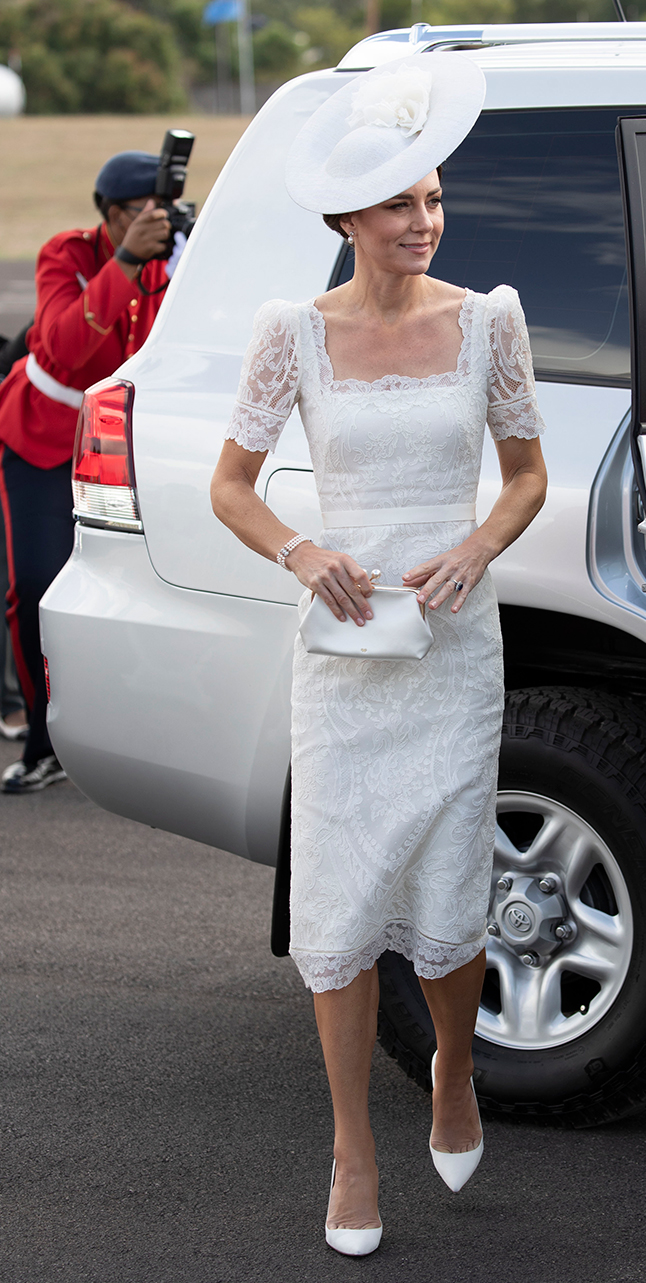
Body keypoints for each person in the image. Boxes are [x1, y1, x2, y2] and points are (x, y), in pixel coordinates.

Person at [210, 54, 547, 1257]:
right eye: (402, 201)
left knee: (451, 894)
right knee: (342, 902)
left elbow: (525, 477)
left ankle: (455, 1064)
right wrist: (305, 553)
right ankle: (354, 1149)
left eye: (435, 198)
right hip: (344, 655)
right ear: (348, 215)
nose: (424, 220)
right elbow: (231, 488)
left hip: (454, 649)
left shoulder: (487, 321)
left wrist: (474, 546)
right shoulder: (290, 334)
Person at [0, 150, 181, 794]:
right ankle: (42, 742)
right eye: (141, 214)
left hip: (121, 444)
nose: (154, 223)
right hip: (43, 437)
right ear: (111, 214)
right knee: (35, 588)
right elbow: (63, 347)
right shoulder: (67, 254)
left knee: (143, 586)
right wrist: (126, 262)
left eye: (160, 213)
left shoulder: (171, 257)